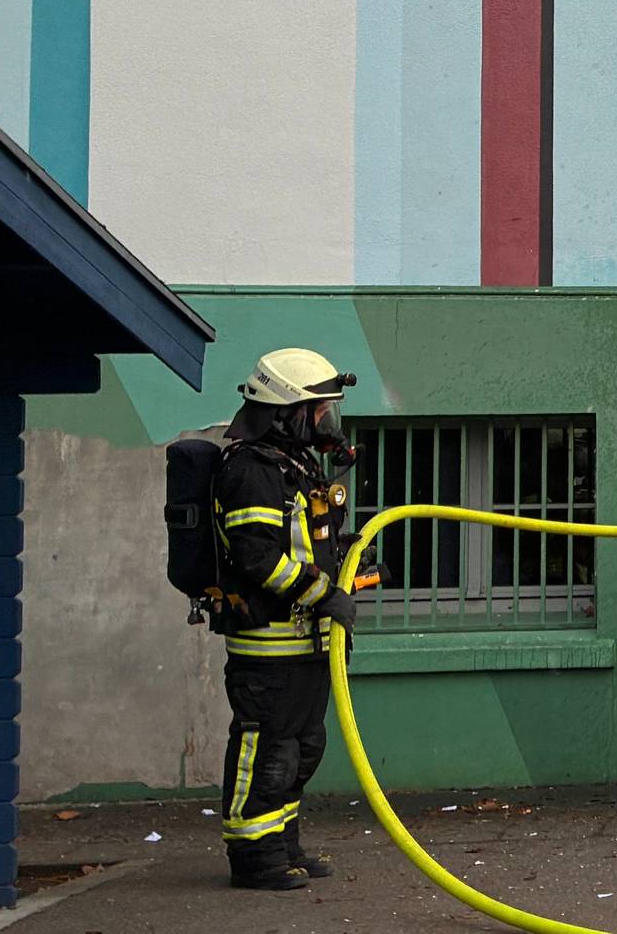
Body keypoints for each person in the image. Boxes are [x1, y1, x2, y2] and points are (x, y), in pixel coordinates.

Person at [212, 348, 362, 890]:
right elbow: (257, 558)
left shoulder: (296, 465)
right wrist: (324, 594)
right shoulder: (251, 471)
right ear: (287, 411)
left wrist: (346, 562)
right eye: (320, 411)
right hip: (268, 646)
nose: (328, 422)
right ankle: (253, 857)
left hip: (306, 645)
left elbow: (305, 540)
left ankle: (282, 844)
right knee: (267, 750)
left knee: (303, 749)